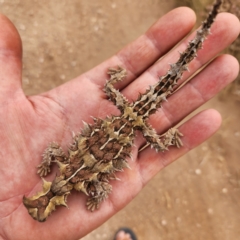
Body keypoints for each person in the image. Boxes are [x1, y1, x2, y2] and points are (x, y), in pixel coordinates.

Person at [0, 6, 239, 240]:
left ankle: (206, 27)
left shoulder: (86, 181)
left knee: (169, 90)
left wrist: (95, 198)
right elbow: (52, 150)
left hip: (127, 120)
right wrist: (46, 165)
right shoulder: (64, 164)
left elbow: (101, 189)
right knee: (159, 94)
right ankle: (206, 25)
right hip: (126, 116)